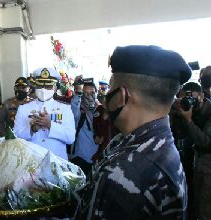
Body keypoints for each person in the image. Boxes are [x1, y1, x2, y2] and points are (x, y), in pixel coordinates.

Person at [87, 45, 188, 219]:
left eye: (110, 89)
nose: (104, 102)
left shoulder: (121, 172)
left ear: (122, 96)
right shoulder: (160, 143)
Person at [13, 67, 75, 160]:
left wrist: (50, 125)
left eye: (48, 86)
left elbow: (70, 138)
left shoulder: (65, 109)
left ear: (55, 88)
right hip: (31, 162)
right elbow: (16, 136)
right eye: (40, 86)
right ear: (35, 87)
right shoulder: (23, 108)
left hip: (57, 162)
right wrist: (32, 129)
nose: (43, 89)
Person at [173, 82, 211, 219]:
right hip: (197, 158)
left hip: (208, 161)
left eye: (192, 98)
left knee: (206, 205)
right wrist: (178, 112)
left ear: (201, 96)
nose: (189, 102)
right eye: (186, 98)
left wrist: (189, 120)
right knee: (196, 198)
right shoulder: (187, 109)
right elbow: (180, 134)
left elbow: (206, 142)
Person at [70, 78, 99, 179]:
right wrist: (78, 92)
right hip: (80, 159)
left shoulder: (101, 111)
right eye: (85, 93)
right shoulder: (79, 112)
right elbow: (74, 109)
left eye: (92, 93)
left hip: (97, 161)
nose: (89, 96)